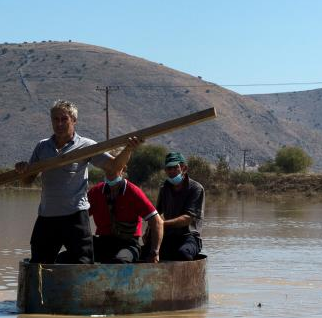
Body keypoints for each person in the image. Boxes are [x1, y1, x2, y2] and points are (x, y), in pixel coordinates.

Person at [15, 100, 141, 264]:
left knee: (82, 264)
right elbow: (27, 181)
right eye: (55, 119)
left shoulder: (86, 146)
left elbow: (114, 166)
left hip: (75, 216)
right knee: (39, 264)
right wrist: (23, 170)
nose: (59, 123)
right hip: (47, 216)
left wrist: (128, 149)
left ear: (73, 120)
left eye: (64, 119)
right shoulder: (42, 147)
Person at [87, 173, 163, 263]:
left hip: (128, 244)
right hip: (104, 241)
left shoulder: (133, 191)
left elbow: (157, 222)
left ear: (122, 170)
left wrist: (154, 252)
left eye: (115, 168)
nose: (111, 172)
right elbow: (81, 217)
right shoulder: (96, 191)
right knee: (74, 256)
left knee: (119, 262)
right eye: (109, 169)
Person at [155, 151, 204, 261]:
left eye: (175, 167)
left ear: (184, 168)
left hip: (189, 236)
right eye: (169, 168)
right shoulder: (164, 188)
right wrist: (150, 231)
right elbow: (155, 214)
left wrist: (161, 224)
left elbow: (187, 219)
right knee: (149, 253)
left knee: (183, 254)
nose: (172, 171)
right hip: (169, 235)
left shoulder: (196, 188)